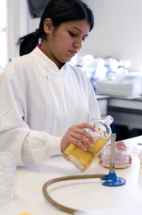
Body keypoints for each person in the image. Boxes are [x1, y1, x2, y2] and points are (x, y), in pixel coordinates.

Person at [0, 0, 131, 166]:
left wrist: (104, 147)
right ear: (48, 26)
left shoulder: (80, 77)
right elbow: (7, 139)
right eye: (73, 34)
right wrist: (56, 144)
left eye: (84, 38)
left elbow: (94, 127)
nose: (79, 45)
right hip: (30, 175)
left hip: (74, 171)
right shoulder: (18, 70)